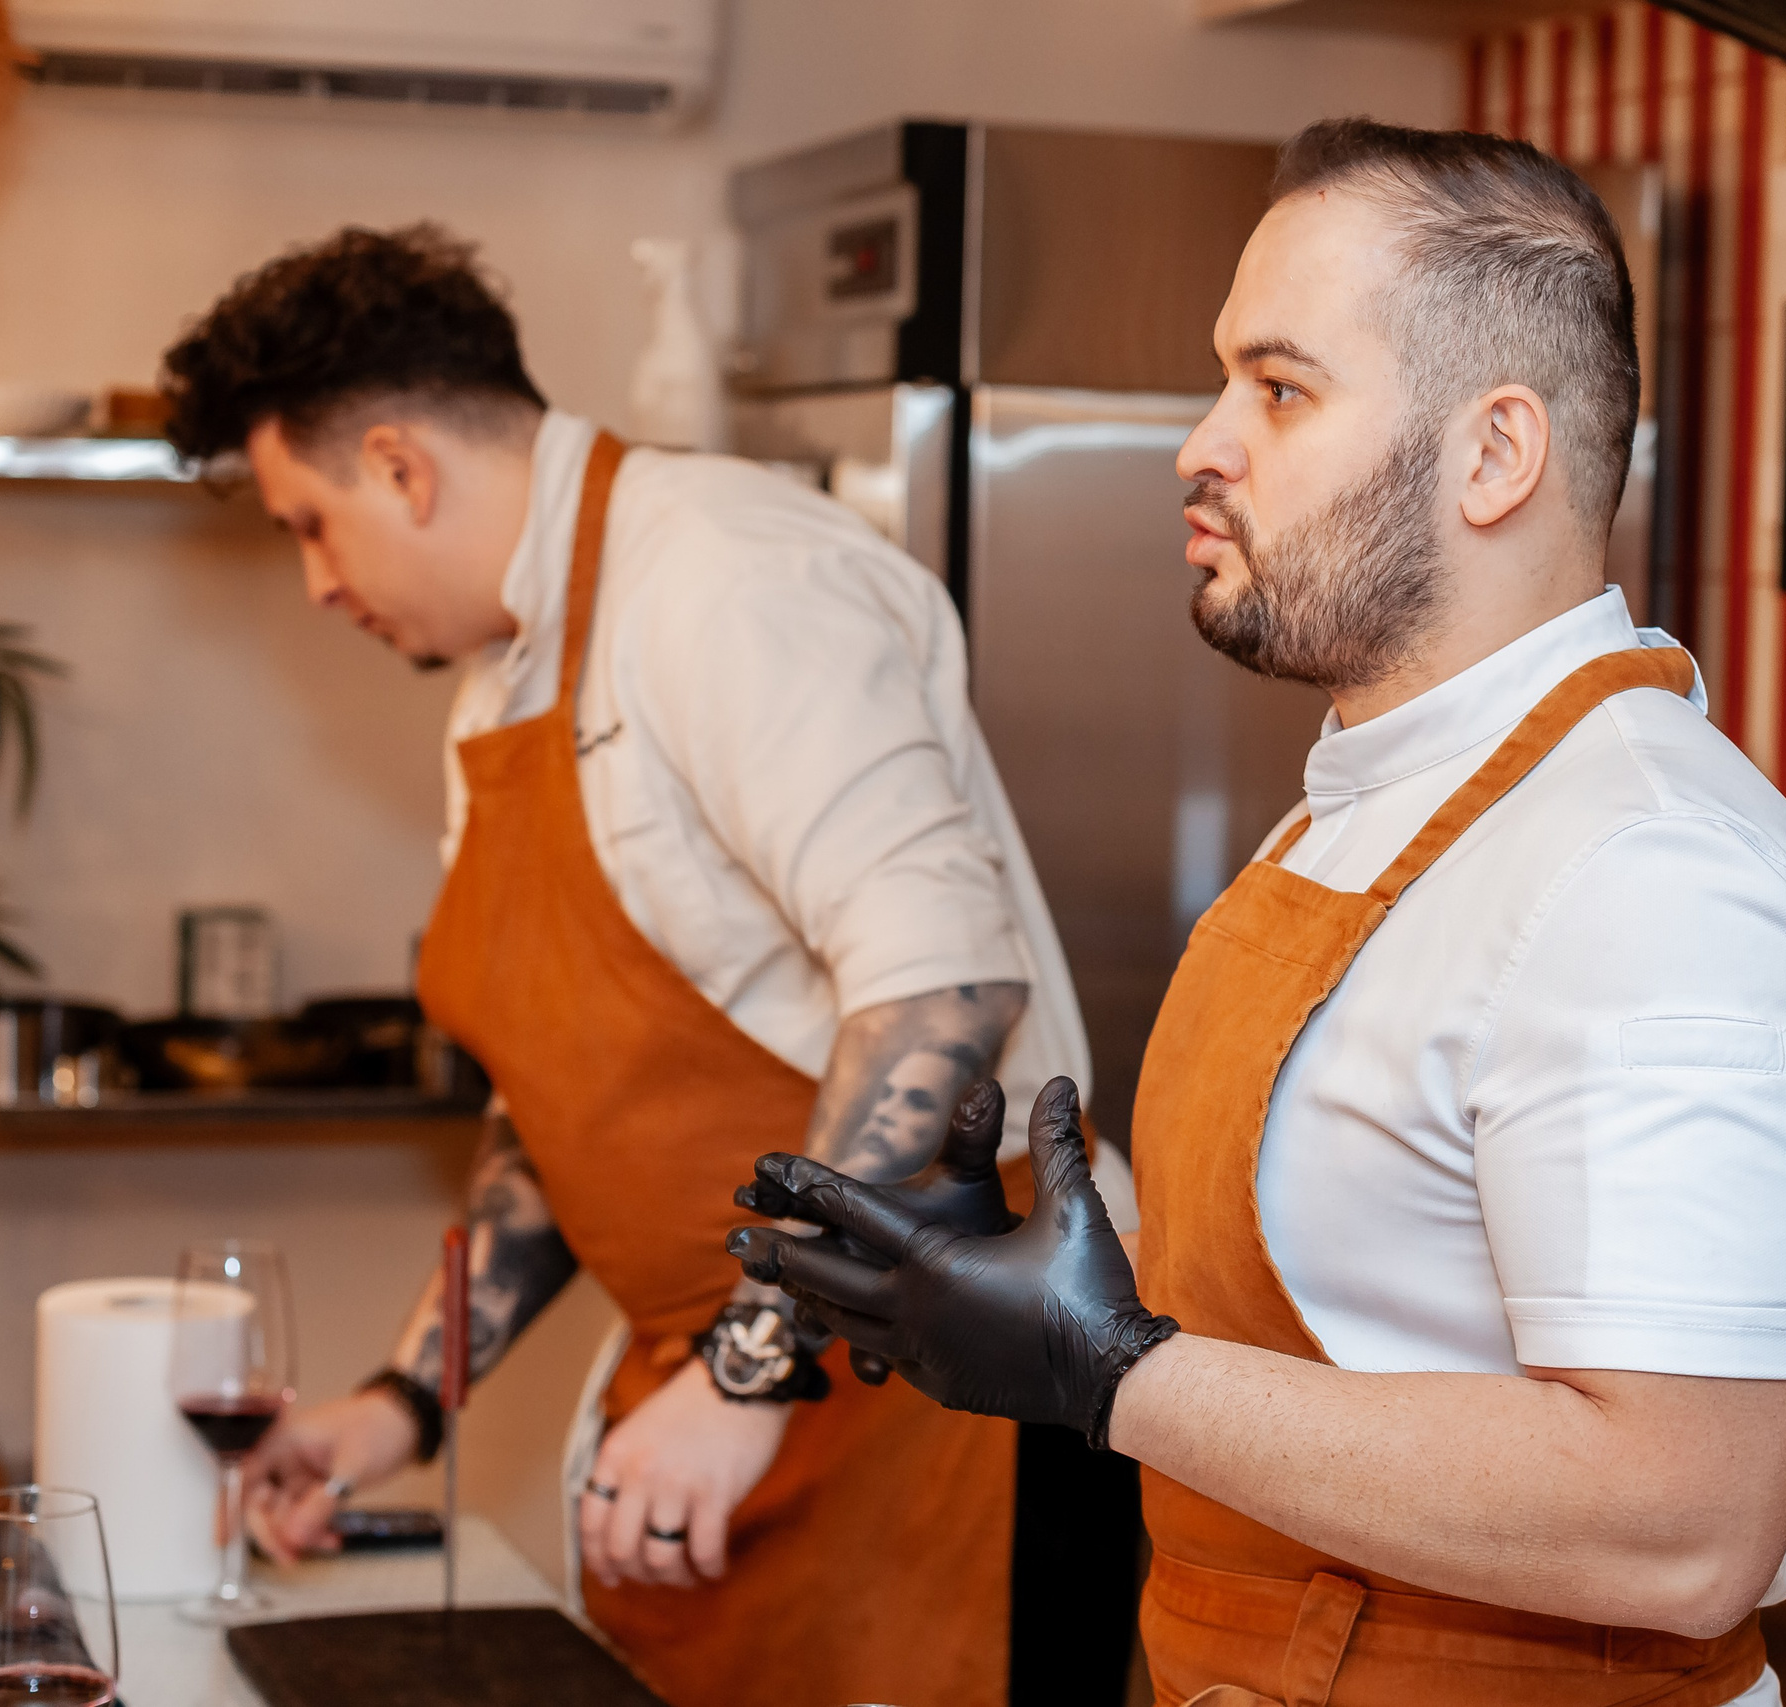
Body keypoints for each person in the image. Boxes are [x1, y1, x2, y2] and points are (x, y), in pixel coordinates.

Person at [734, 121, 1786, 1707]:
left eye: (1278, 389)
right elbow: (1360, 1304)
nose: (1200, 444)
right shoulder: (1361, 808)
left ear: (1495, 455)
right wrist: (1037, 1277)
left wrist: (1111, 1371)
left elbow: (1684, 1520)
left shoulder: (1653, 877)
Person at [157, 224, 1094, 1707]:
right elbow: (560, 1104)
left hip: (918, 1396)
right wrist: (407, 1399)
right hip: (717, 1406)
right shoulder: (498, 689)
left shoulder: (728, 579)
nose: (319, 584)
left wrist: (749, 1366)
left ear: (400, 467)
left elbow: (945, 990)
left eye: (310, 526)